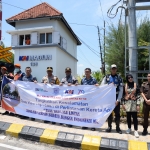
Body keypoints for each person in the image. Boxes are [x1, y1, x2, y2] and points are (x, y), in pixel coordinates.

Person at [101, 64, 123, 134]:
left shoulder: (119, 78)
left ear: (116, 69)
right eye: (112, 68)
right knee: (109, 113)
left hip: (116, 97)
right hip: (109, 98)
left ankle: (117, 127)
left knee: (117, 113)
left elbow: (121, 90)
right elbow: (102, 86)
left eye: (115, 68)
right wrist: (108, 85)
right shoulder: (106, 77)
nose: (113, 70)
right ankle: (109, 127)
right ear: (110, 69)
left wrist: (118, 100)